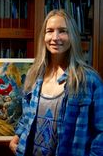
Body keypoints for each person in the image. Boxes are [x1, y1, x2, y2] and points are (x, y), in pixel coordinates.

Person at [9, 9, 103, 156]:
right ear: (44, 36)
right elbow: (27, 116)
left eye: (63, 31)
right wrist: (16, 137)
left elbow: (101, 132)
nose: (55, 37)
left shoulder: (89, 80)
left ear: (72, 36)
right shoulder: (33, 75)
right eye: (50, 31)